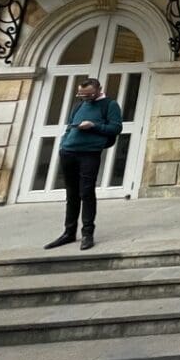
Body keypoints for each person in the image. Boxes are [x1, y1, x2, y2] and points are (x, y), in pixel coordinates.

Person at [43, 78, 122, 251]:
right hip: (68, 152)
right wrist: (64, 143)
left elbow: (115, 128)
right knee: (71, 194)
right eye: (81, 94)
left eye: (89, 94)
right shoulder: (79, 106)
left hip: (89, 153)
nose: (85, 98)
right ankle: (68, 232)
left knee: (86, 192)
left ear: (99, 90)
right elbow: (69, 126)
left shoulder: (109, 105)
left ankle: (87, 233)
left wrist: (93, 126)